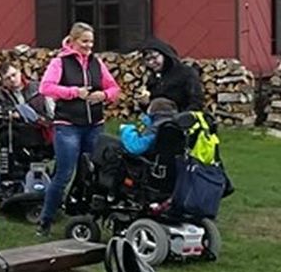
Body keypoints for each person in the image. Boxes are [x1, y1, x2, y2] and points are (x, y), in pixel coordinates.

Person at [37, 21, 122, 235]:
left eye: (91, 42)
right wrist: (74, 92)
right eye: (84, 41)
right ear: (73, 41)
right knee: (64, 174)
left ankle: (83, 216)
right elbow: (45, 87)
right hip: (68, 126)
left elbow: (114, 88)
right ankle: (46, 219)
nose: (89, 46)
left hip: (94, 125)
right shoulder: (60, 62)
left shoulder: (96, 62)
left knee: (92, 173)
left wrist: (104, 95)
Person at [140, 38, 204, 113]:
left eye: (154, 58)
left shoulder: (186, 73)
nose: (151, 62)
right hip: (158, 118)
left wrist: (183, 117)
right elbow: (152, 107)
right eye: (148, 60)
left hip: (183, 116)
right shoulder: (153, 78)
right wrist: (144, 104)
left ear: (165, 55)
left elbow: (196, 101)